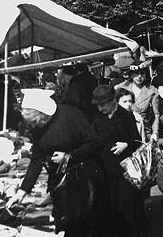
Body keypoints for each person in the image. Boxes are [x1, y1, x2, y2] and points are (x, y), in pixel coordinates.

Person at [7, 88, 106, 237]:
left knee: (85, 224)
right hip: (61, 183)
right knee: (65, 224)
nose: (32, 125)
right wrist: (22, 191)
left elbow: (94, 142)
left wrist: (69, 156)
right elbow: (36, 160)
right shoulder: (36, 127)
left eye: (34, 121)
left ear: (42, 114)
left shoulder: (69, 115)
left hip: (85, 180)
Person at [91, 85, 146, 237]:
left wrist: (126, 144)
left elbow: (137, 141)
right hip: (105, 172)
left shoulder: (126, 116)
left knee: (129, 209)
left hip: (125, 173)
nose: (100, 109)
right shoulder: (97, 119)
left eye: (103, 105)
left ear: (112, 101)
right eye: (98, 106)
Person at [114, 60, 159, 141]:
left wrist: (155, 133)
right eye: (136, 73)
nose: (139, 76)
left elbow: (156, 115)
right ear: (131, 74)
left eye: (142, 73)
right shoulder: (120, 88)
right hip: (125, 131)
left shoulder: (151, 90)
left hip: (145, 132)